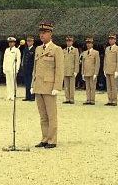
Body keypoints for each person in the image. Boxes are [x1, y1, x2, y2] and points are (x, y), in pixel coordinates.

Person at [31, 21, 64, 149]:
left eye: (44, 33)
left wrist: (57, 87)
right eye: (40, 33)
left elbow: (59, 70)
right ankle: (44, 138)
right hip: (39, 86)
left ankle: (52, 140)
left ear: (50, 33)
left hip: (50, 87)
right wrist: (33, 84)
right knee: (43, 115)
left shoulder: (56, 49)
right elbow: (35, 68)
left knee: (51, 115)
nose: (42, 35)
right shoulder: (38, 49)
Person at [103, 34, 118, 106]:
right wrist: (104, 69)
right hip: (107, 69)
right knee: (108, 86)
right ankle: (110, 100)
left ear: (115, 40)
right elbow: (105, 59)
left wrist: (117, 70)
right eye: (110, 39)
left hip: (114, 70)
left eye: (112, 39)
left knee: (114, 86)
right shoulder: (107, 48)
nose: (110, 40)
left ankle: (114, 100)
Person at [81, 37, 101, 105]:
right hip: (86, 72)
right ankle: (88, 99)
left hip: (92, 72)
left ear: (92, 44)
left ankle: (92, 100)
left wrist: (96, 73)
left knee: (92, 87)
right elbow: (83, 63)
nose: (88, 45)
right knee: (87, 87)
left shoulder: (96, 52)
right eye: (87, 43)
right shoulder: (84, 52)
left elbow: (97, 63)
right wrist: (82, 73)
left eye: (90, 43)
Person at [62, 36, 80, 104]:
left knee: (72, 86)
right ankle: (67, 98)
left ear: (72, 42)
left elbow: (76, 61)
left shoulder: (75, 50)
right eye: (67, 41)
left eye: (70, 41)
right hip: (65, 70)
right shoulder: (64, 50)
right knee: (66, 86)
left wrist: (76, 71)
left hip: (72, 70)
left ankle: (71, 99)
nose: (68, 43)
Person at [22, 36, 35, 101]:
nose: (28, 42)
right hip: (26, 69)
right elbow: (24, 59)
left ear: (33, 42)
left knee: (31, 83)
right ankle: (27, 96)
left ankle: (32, 97)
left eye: (30, 41)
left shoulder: (34, 50)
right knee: (27, 83)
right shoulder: (25, 49)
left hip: (31, 69)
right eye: (28, 41)